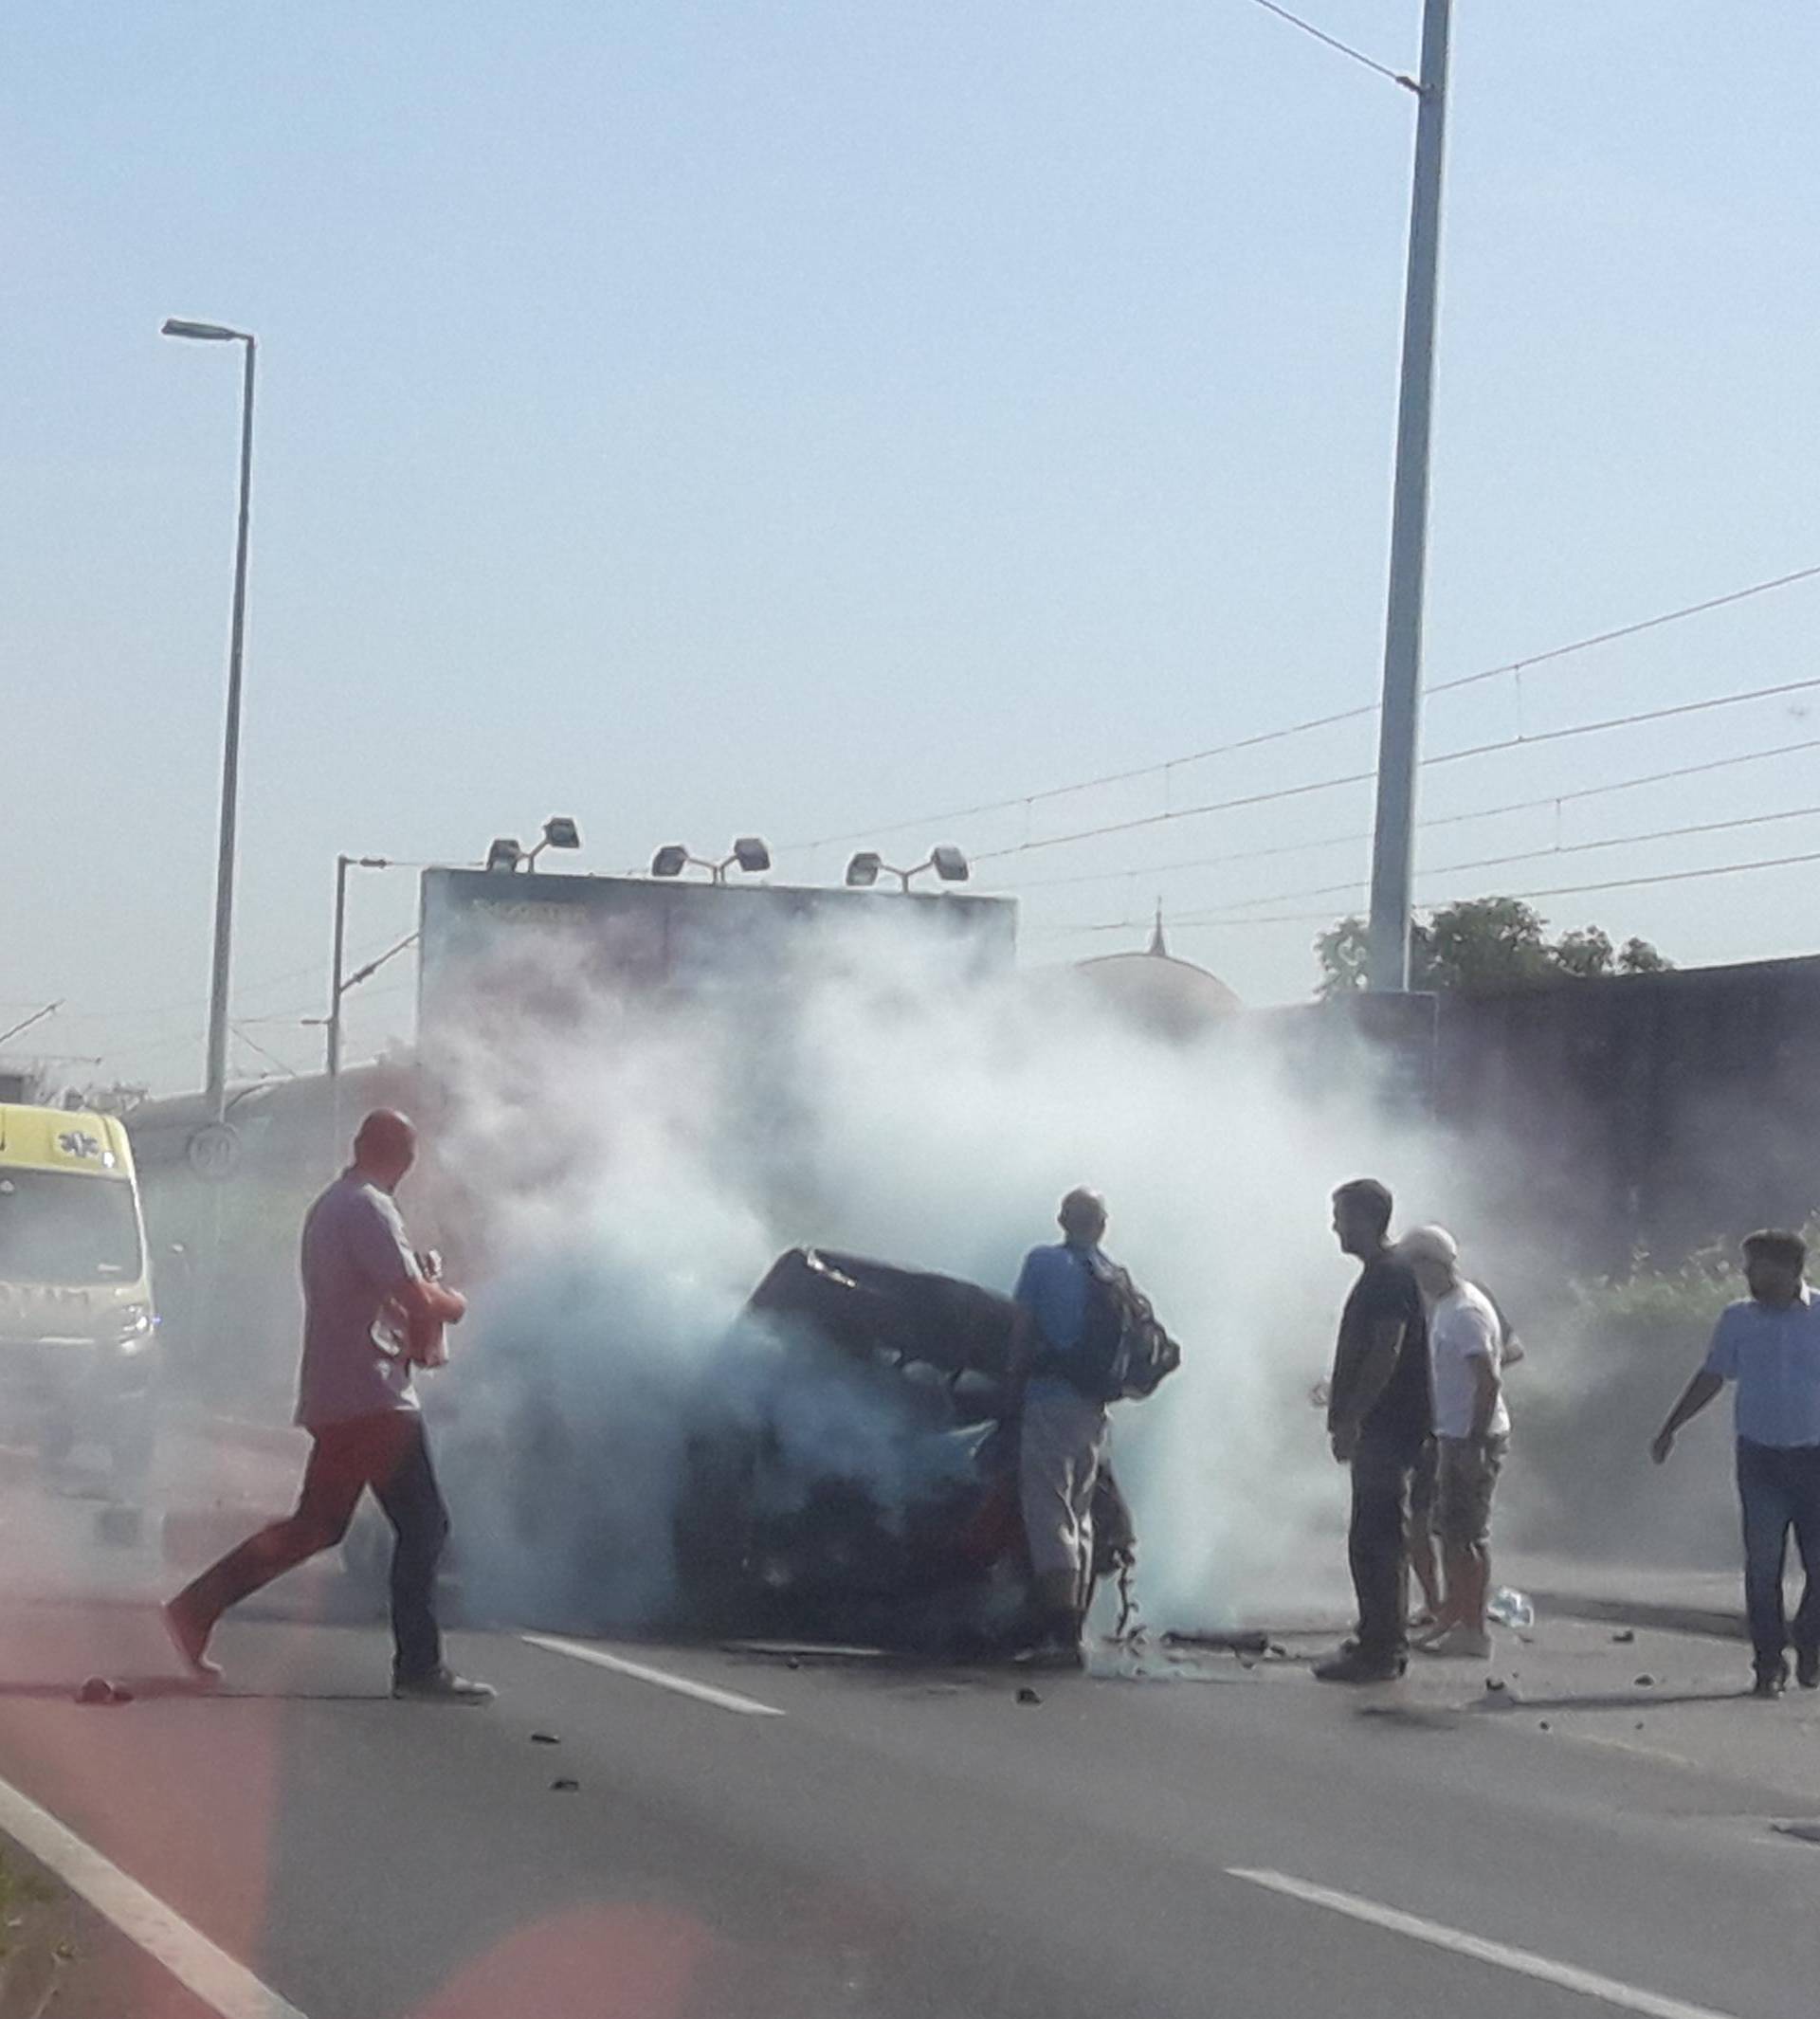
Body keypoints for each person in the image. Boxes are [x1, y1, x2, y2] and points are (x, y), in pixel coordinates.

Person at [163, 1110, 493, 1702]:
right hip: (373, 1398)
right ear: (403, 1158)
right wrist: (455, 1303)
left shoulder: (334, 1205)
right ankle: (419, 1668)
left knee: (316, 1526)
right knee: (424, 1525)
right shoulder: (368, 1207)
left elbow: (374, 1297)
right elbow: (414, 1298)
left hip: (340, 1391)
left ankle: (194, 1608)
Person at [1651, 1228, 1820, 1700]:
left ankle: (1810, 1639)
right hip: (1761, 1458)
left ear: (1789, 1271)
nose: (1747, 1275)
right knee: (1763, 1566)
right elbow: (1712, 1376)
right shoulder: (1737, 1319)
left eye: (1756, 1267)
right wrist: (1671, 1426)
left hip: (1815, 1458)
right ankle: (1768, 1663)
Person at [1317, 1178, 1432, 1684]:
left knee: (1376, 1538)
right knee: (1374, 1533)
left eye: (1341, 1215)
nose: (1335, 1226)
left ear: (1366, 1219)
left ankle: (1381, 1648)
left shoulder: (1388, 1276)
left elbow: (1387, 1349)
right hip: (1384, 1427)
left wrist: (1354, 1419)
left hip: (1387, 1429)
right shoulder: (1383, 1274)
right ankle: (1377, 1636)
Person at [1007, 1188, 1116, 1669]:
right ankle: (1077, 1626)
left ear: (1061, 1219)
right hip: (1094, 1408)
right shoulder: (1111, 1274)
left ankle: (1061, 1635)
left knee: (1049, 1512)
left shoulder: (1042, 1262)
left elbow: (1022, 1328)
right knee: (1079, 1514)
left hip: (1050, 1399)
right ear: (1102, 1226)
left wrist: (1011, 1385)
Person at [1398, 1225, 1509, 1660]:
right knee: (1453, 1534)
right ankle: (1454, 1618)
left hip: (1470, 1438)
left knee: (1465, 1536)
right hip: (1455, 1434)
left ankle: (1473, 1629)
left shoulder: (1465, 1311)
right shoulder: (1446, 1306)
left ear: (1430, 1264)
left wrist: (1475, 1442)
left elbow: (1488, 1377)